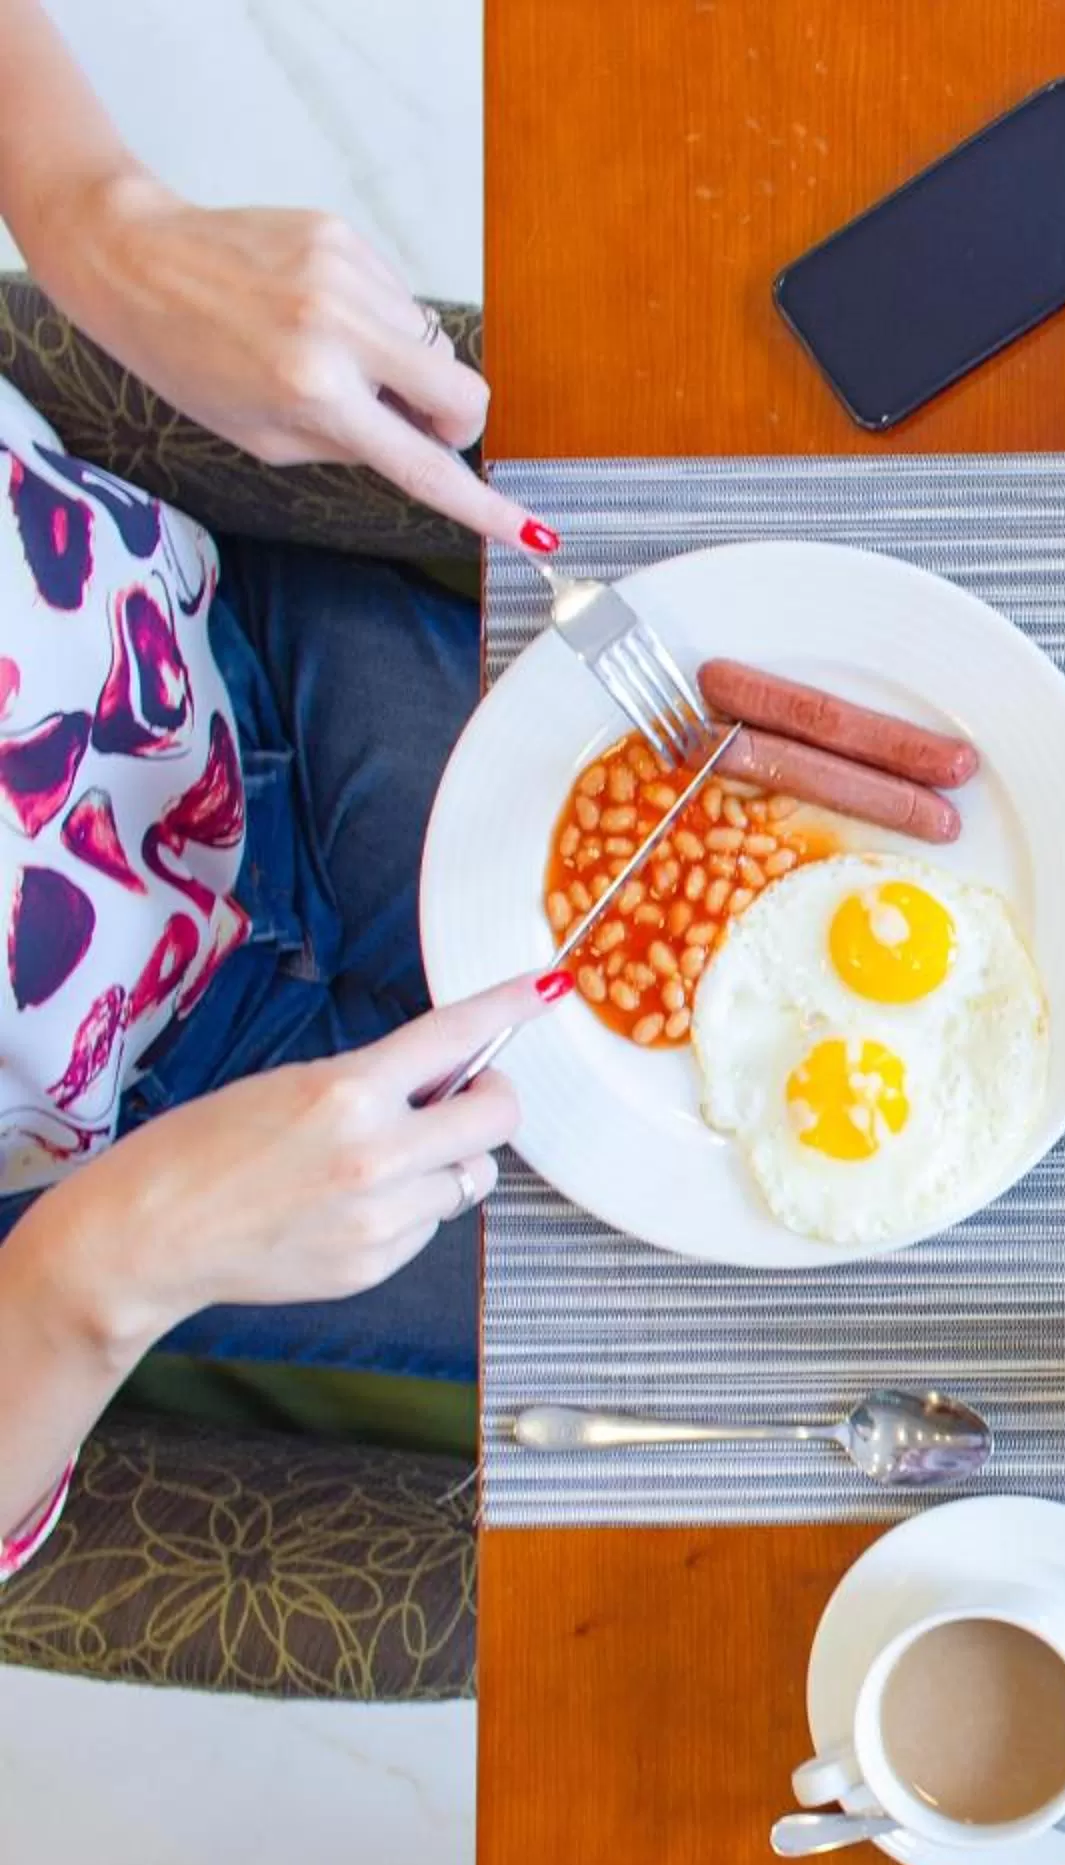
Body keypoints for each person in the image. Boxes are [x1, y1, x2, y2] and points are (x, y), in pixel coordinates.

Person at [0, 0, 564, 1578]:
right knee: (748, 1286)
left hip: (217, 650)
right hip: (120, 1153)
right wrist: (92, 1275)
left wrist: (91, 210)